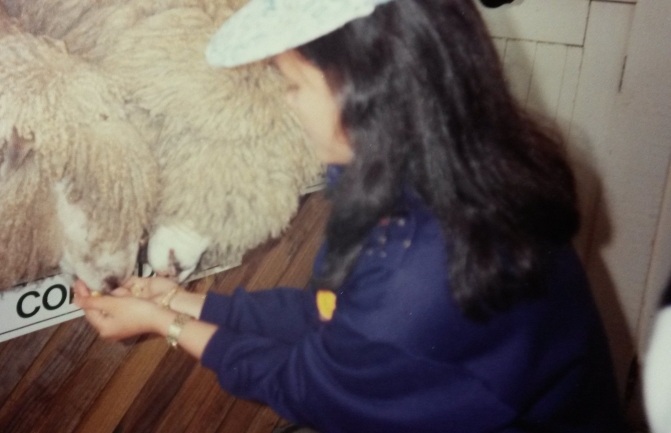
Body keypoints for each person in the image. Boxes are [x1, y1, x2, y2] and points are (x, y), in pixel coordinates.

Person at [73, 0, 626, 431]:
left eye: (295, 85)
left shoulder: (418, 281)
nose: (289, 103)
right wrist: (179, 300)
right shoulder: (448, 161)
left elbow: (307, 387)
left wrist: (163, 325)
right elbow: (333, 313)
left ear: (365, 91)